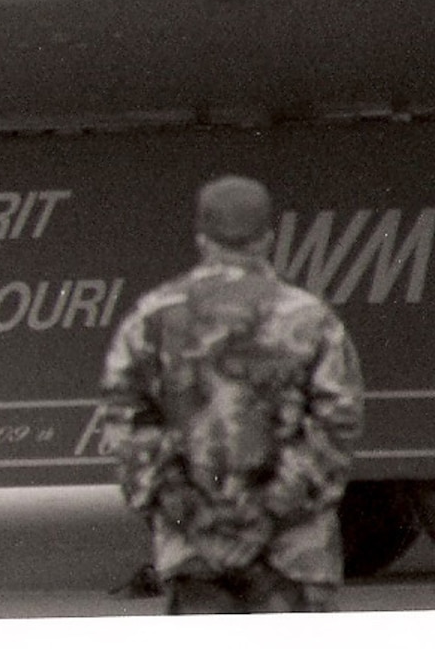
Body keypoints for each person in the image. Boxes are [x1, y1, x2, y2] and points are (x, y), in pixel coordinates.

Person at [96, 174, 365, 614]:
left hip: (195, 553)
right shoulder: (310, 320)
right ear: (268, 238)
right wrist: (265, 519)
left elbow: (127, 429)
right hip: (291, 555)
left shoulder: (152, 319)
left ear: (202, 238)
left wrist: (194, 523)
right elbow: (337, 425)